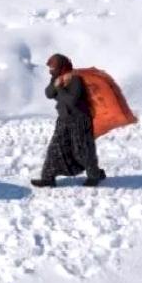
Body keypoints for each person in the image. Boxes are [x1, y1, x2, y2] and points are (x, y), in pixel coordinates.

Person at [32, 53, 106, 188]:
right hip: (64, 119)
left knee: (82, 150)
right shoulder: (57, 77)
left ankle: (94, 175)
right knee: (55, 148)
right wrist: (55, 82)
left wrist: (60, 87)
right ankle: (48, 178)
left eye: (53, 68)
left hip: (80, 119)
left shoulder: (75, 79)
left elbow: (72, 100)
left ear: (61, 66)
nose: (51, 71)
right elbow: (49, 94)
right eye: (50, 68)